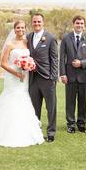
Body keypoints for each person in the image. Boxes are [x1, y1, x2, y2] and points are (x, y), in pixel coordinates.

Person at [0, 20, 44, 147]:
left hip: (24, 77)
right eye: (18, 28)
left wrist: (27, 66)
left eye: (22, 28)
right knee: (11, 99)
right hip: (13, 77)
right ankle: (3, 133)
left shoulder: (27, 43)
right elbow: (3, 63)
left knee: (23, 100)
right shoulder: (10, 44)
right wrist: (17, 73)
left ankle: (25, 131)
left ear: (25, 29)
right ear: (14, 30)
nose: (20, 30)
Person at [60, 15, 86, 133]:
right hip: (69, 76)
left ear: (84, 25)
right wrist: (62, 74)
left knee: (82, 101)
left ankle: (81, 124)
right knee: (70, 102)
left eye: (81, 23)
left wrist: (82, 63)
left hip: (84, 76)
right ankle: (70, 124)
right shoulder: (66, 38)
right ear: (73, 24)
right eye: (77, 23)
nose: (79, 25)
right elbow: (62, 57)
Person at [27, 13, 59, 142]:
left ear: (43, 23)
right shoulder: (28, 37)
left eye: (39, 21)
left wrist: (53, 77)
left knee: (51, 107)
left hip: (47, 78)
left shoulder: (50, 38)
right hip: (33, 78)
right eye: (34, 22)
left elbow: (54, 59)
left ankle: (51, 132)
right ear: (32, 23)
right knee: (35, 107)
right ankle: (36, 131)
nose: (37, 24)